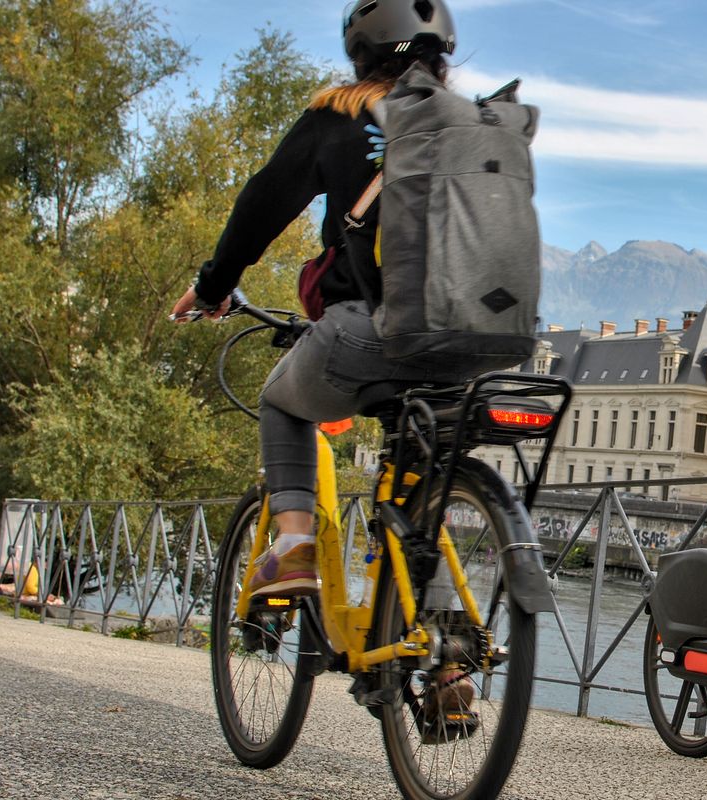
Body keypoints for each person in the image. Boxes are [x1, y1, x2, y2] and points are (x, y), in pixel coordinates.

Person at [170, 0, 474, 598]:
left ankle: (293, 546)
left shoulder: (342, 113)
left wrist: (212, 286)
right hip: (474, 345)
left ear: (362, 51)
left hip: (377, 328)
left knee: (282, 401)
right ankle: (449, 643)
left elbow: (262, 205)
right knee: (419, 494)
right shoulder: (475, 124)